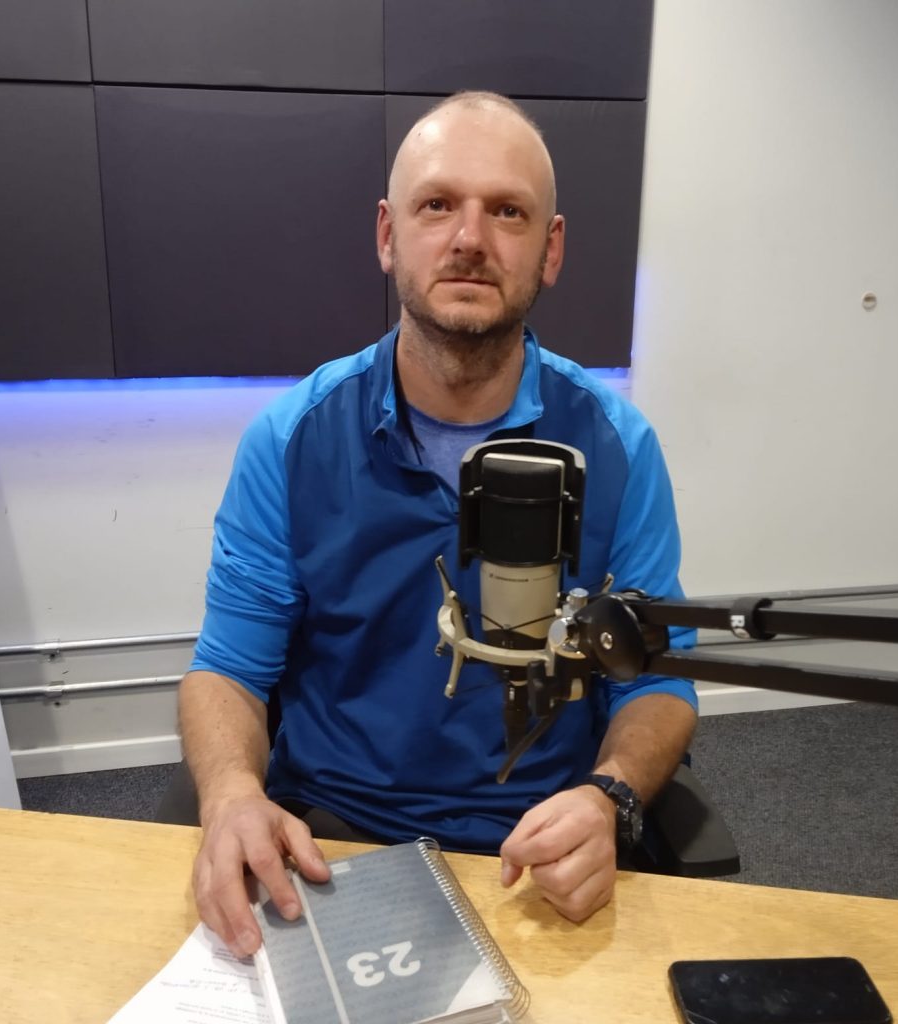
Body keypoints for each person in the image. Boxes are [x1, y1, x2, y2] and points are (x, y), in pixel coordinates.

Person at [180, 91, 698, 958]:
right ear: (389, 235)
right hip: (334, 837)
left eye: (507, 211)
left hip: (540, 846)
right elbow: (227, 671)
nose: (469, 238)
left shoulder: (619, 447)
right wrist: (233, 795)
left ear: (551, 249)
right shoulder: (291, 440)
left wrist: (608, 797)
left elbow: (654, 683)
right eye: (437, 205)